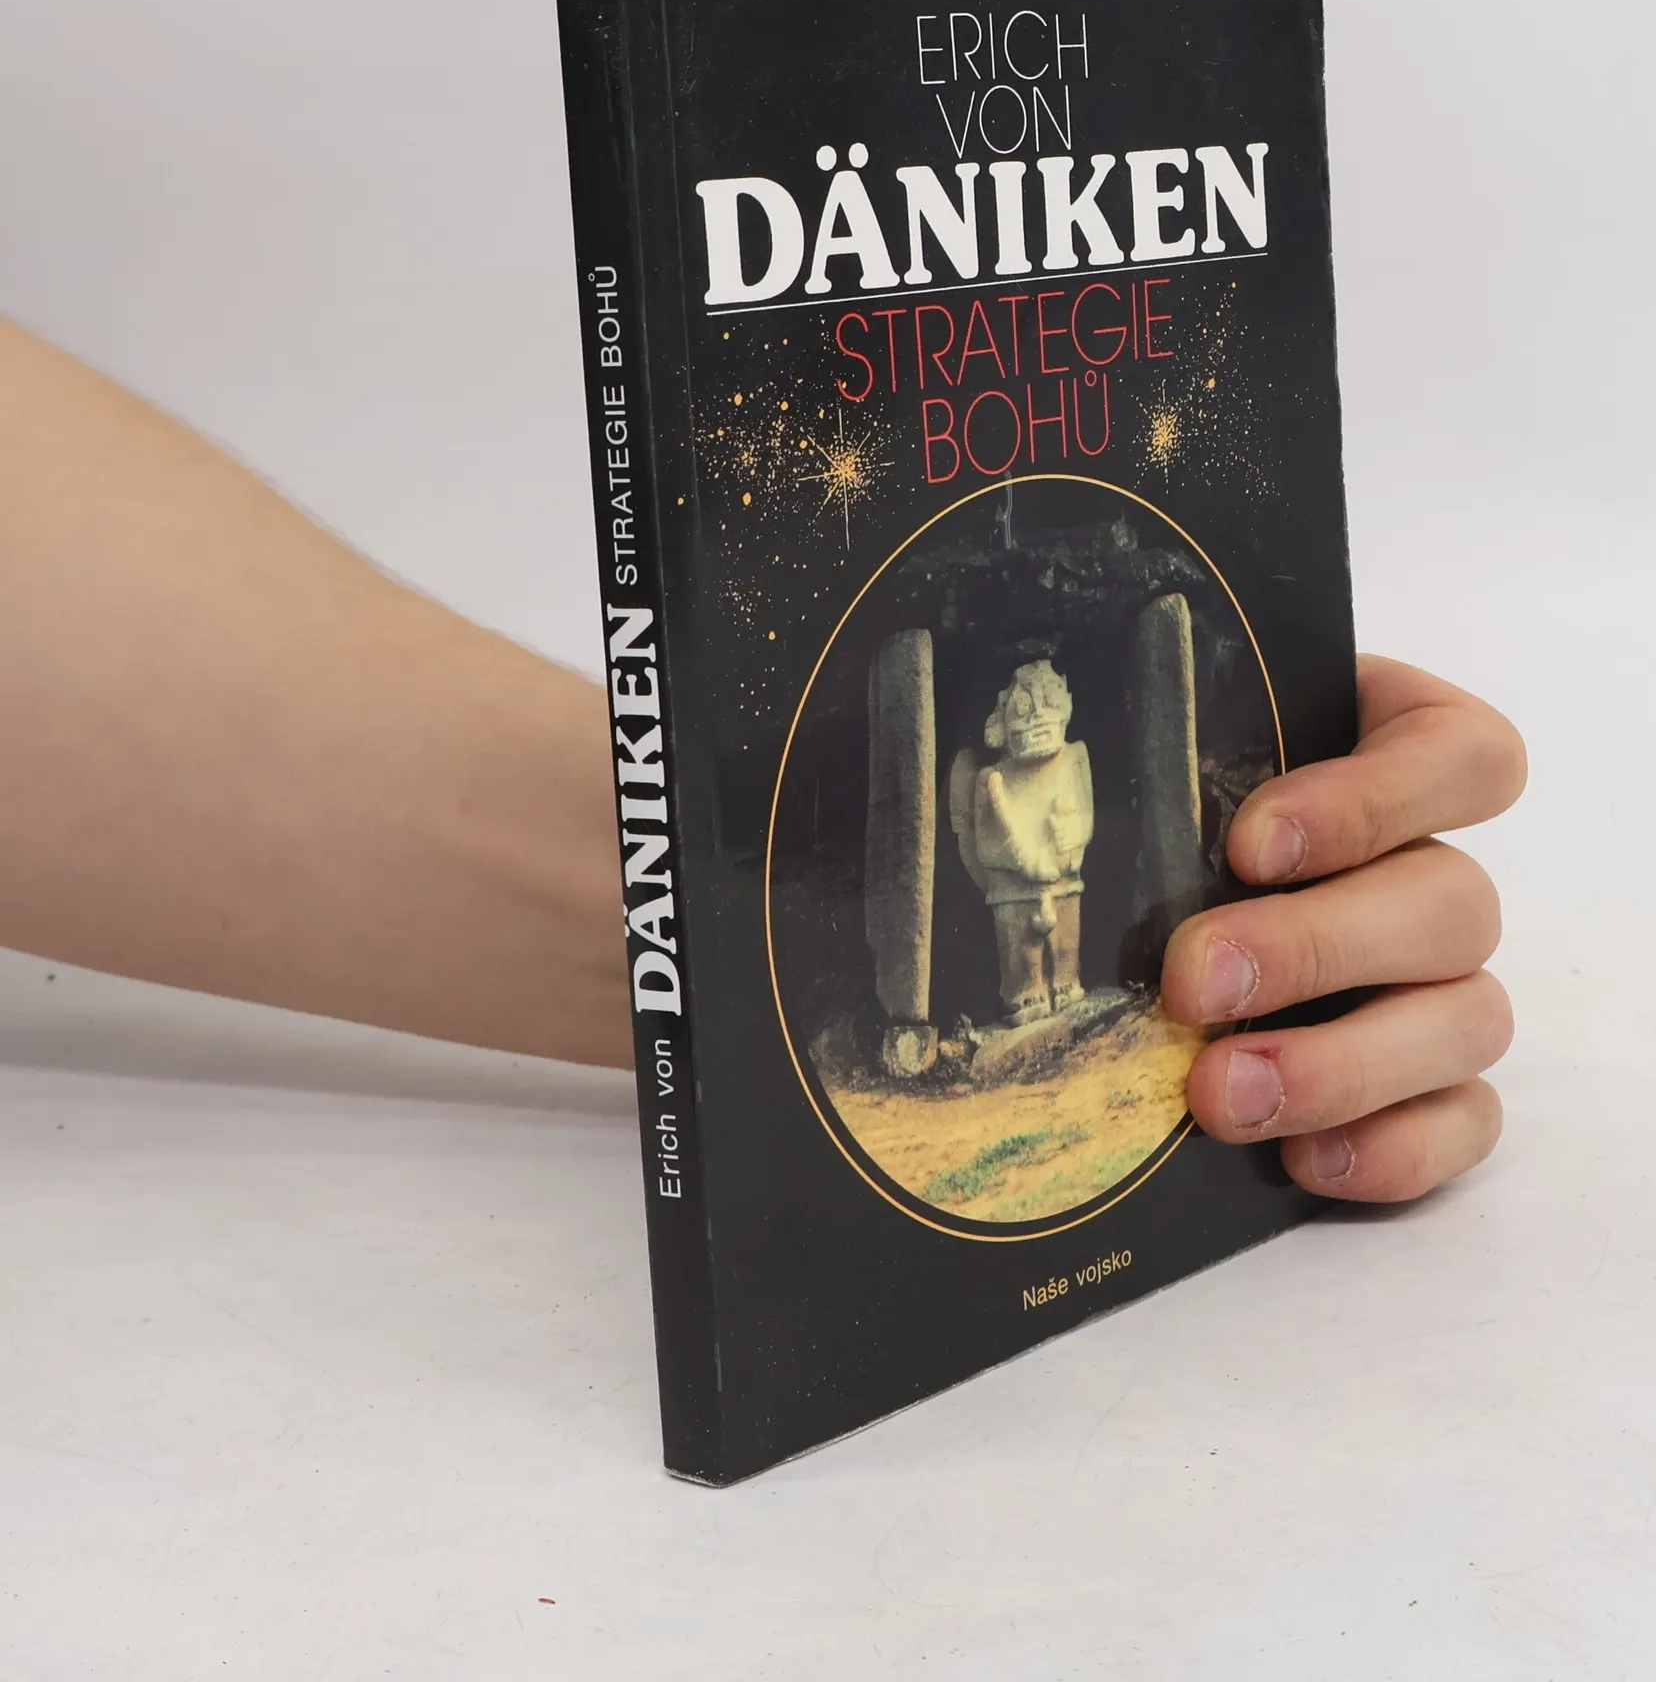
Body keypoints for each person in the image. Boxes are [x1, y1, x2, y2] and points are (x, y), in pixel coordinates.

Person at [0, 317, 1526, 1202]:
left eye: (1042, 707)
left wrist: (750, 907)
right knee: (1031, 946)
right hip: (1004, 884)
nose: (1032, 721)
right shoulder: (984, 766)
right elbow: (985, 822)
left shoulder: (1046, 755)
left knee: (1065, 950)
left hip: (1025, 888)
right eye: (1020, 708)